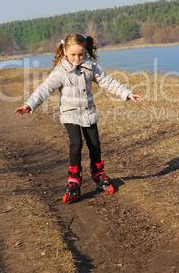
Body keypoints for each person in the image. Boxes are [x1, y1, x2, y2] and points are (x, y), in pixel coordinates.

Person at [14, 34, 142, 203]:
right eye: (73, 54)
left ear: (85, 52)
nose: (77, 58)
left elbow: (108, 82)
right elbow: (44, 89)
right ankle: (74, 179)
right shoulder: (60, 71)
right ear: (65, 51)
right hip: (69, 113)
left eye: (80, 54)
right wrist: (29, 105)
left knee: (94, 143)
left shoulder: (90, 66)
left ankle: (98, 174)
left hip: (88, 112)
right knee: (76, 143)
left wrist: (127, 93)